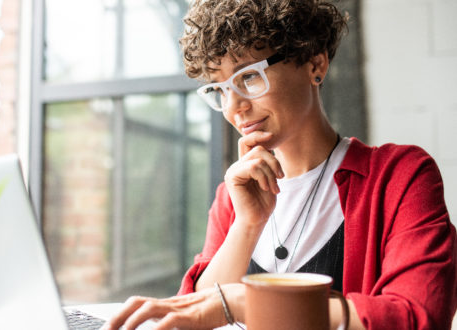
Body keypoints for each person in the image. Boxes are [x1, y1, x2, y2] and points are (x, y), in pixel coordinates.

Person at [103, 0, 457, 329]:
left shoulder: (399, 176)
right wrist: (247, 225)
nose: (233, 107)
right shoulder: (233, 195)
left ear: (314, 64)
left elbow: (418, 316)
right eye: (220, 88)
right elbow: (194, 315)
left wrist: (251, 301)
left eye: (249, 77)